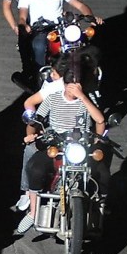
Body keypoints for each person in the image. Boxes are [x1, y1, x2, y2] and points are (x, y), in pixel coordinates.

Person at [15, 64, 107, 234]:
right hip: (57, 145)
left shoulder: (87, 100)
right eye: (72, 86)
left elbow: (100, 120)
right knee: (35, 167)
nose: (75, 90)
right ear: (64, 84)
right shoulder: (53, 98)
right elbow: (35, 121)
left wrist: (83, 97)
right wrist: (30, 135)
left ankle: (100, 208)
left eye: (78, 86)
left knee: (102, 171)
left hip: (81, 146)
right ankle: (33, 211)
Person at [17, 0, 104, 69]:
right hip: (40, 30)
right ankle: (40, 73)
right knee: (39, 46)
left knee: (82, 42)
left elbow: (80, 5)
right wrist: (24, 25)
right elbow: (22, 17)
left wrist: (90, 17)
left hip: (61, 29)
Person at [12, 53, 69, 212]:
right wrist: (35, 127)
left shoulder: (82, 91)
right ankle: (27, 191)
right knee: (30, 149)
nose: (51, 75)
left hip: (76, 136)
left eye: (54, 72)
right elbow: (30, 103)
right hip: (53, 130)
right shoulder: (53, 89)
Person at [2, 0, 38, 87]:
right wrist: (15, 26)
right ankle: (27, 73)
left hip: (46, 16)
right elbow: (6, 6)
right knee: (24, 43)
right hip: (26, 18)